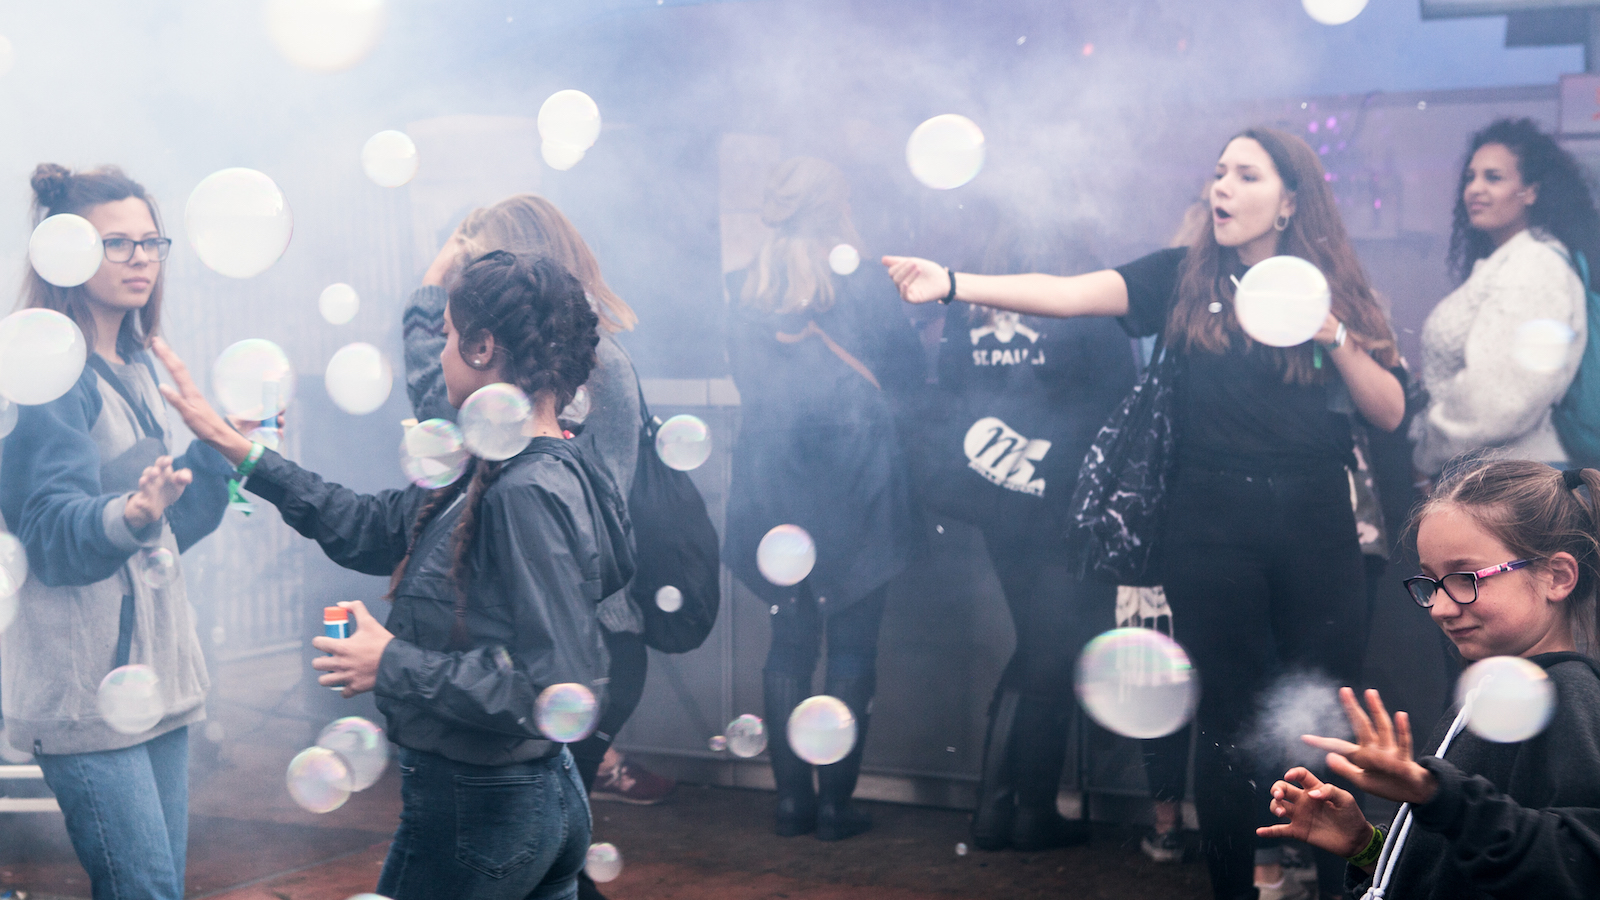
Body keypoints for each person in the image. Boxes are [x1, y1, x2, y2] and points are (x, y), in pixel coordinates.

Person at [885, 127, 1405, 900]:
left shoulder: (1331, 290)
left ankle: (1343, 889)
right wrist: (954, 282)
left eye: (1246, 175)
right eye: (1218, 171)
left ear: (1290, 202)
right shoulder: (1183, 279)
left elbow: (1390, 411)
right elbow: (1067, 293)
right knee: (1227, 725)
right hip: (1208, 526)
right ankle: (1237, 889)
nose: (1221, 186)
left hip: (1313, 524)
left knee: (1325, 716)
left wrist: (1330, 333)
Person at [156, 251, 634, 900]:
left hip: (485, 808)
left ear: (484, 346)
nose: (437, 358)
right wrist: (239, 451)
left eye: (445, 340)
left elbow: (553, 689)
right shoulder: (504, 463)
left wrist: (392, 662)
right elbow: (367, 525)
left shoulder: (526, 487)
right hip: (518, 803)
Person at [0, 164, 233, 900]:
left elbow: (169, 530)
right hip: (86, 694)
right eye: (117, 244)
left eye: (150, 242)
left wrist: (220, 449)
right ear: (64, 254)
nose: (141, 259)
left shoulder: (132, 366)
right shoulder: (45, 373)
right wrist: (128, 513)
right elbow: (49, 532)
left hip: (157, 681)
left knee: (159, 889)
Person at [405, 195, 675, 814]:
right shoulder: (582, 362)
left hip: (577, 644)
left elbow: (438, 419)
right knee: (551, 849)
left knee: (530, 840)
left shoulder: (569, 379)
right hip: (589, 640)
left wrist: (425, 295)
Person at [1259, 458, 1600, 899]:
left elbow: (1579, 868)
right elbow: (1465, 863)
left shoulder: (1567, 696)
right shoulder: (1493, 694)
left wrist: (1435, 793)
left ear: (1557, 576)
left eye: (1464, 578)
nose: (1439, 607)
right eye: (1431, 583)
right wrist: (1369, 847)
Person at [726, 157, 923, 841]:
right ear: (836, 208)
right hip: (857, 480)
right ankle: (837, 807)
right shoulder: (866, 284)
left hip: (773, 481)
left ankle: (790, 805)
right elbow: (909, 379)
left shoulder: (739, 288)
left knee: (789, 641)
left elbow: (749, 383)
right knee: (851, 649)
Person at [925, 219, 1133, 851]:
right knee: (1053, 649)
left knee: (1043, 643)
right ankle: (1017, 812)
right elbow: (1122, 400)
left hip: (997, 496)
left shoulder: (974, 309)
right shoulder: (1086, 305)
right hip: (1069, 501)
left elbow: (955, 393)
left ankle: (1006, 810)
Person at [1412, 118, 1596, 480]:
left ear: (1530, 191)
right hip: (1495, 473)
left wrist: (1425, 453)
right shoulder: (1512, 261)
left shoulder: (1535, 266)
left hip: (1514, 483)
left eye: (1493, 178)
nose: (1475, 189)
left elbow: (1501, 401)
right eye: (1470, 178)